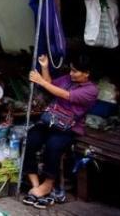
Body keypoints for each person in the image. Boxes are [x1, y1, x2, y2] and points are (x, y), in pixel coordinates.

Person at [22, 54, 98, 209]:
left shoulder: (91, 90)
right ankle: (36, 185)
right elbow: (50, 84)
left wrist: (40, 81)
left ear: (87, 73)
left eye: (75, 71)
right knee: (30, 139)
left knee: (53, 146)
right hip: (50, 121)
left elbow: (66, 95)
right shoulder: (67, 79)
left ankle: (47, 185)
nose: (71, 73)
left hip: (69, 127)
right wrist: (44, 67)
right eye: (71, 70)